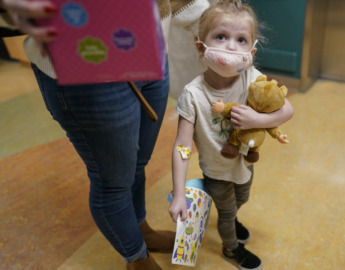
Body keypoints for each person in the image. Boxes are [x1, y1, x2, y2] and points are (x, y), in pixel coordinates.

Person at [0, 0, 210, 269]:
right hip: (87, 68)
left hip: (151, 50)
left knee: (136, 164)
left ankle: (140, 229)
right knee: (113, 183)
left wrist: (221, 28)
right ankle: (137, 258)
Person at [168, 1, 294, 269]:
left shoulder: (251, 77)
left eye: (241, 40)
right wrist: (179, 194)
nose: (230, 46)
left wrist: (258, 119)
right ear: (200, 46)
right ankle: (231, 248)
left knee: (241, 198)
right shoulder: (193, 94)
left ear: (251, 51)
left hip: (245, 163)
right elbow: (181, 147)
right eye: (221, 36)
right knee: (225, 212)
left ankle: (232, 217)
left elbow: (287, 110)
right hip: (216, 171)